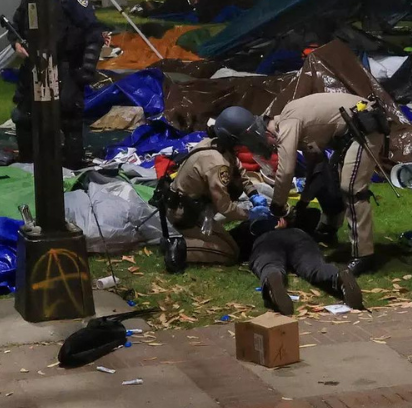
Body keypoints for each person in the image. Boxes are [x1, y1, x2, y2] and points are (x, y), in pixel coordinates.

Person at [265, 93, 385, 276]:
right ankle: (330, 229)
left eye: (269, 143)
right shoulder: (296, 121)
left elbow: (286, 171)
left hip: (364, 125)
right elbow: (316, 167)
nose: (273, 147)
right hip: (352, 129)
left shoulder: (287, 124)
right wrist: (303, 202)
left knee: (352, 189)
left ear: (268, 132)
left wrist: (277, 206)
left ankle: (364, 255)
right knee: (333, 178)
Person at [10, 0, 106, 171]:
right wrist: (16, 43)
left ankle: (71, 168)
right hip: (35, 65)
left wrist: (87, 68)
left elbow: (93, 32)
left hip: (65, 66)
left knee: (68, 118)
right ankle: (27, 166)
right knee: (24, 117)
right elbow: (16, 25)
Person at [161, 106, 267, 266]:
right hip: (186, 213)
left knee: (229, 242)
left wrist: (253, 194)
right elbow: (225, 207)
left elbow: (239, 173)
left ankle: (192, 240)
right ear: (232, 139)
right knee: (231, 253)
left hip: (194, 206)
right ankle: (180, 247)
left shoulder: (217, 145)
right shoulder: (217, 163)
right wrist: (249, 214)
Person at [249, 207, 365, 315]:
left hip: (266, 240)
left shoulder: (252, 222)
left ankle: (271, 277)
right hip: (297, 235)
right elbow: (313, 213)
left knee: (269, 264)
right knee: (314, 266)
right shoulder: (282, 209)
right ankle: (337, 274)